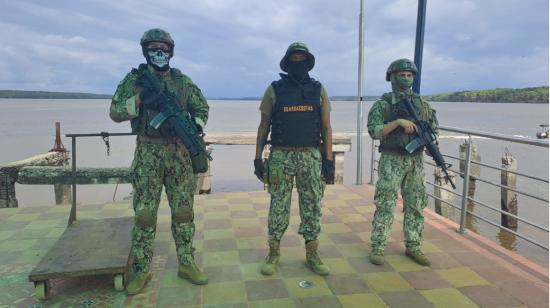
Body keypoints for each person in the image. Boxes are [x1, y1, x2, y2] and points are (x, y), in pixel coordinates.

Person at [109, 28, 209, 294]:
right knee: (144, 213)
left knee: (184, 212)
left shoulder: (182, 81)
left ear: (171, 51)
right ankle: (142, 269)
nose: (159, 52)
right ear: (145, 50)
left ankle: (187, 262)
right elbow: (115, 111)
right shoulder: (135, 80)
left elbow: (201, 107)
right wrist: (140, 99)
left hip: (179, 154)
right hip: (148, 152)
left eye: (164, 48)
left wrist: (195, 125)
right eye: (153, 48)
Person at [254, 42, 335, 276]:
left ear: (308, 62)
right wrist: (258, 158)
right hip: (281, 155)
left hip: (311, 155)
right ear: (287, 62)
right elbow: (263, 127)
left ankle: (312, 254)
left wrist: (328, 161)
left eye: (301, 59)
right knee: (278, 205)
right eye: (294, 59)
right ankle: (273, 253)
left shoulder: (319, 89)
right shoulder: (274, 89)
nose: (297, 62)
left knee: (312, 205)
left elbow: (327, 128)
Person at [366, 58, 439, 266]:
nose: (406, 79)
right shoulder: (384, 104)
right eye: (402, 75)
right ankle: (378, 246)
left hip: (415, 160)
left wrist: (423, 132)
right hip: (392, 159)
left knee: (416, 205)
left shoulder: (423, 105)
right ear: (392, 77)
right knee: (386, 203)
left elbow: (434, 129)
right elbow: (374, 130)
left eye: (409, 76)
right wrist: (397, 123)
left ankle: (413, 245)